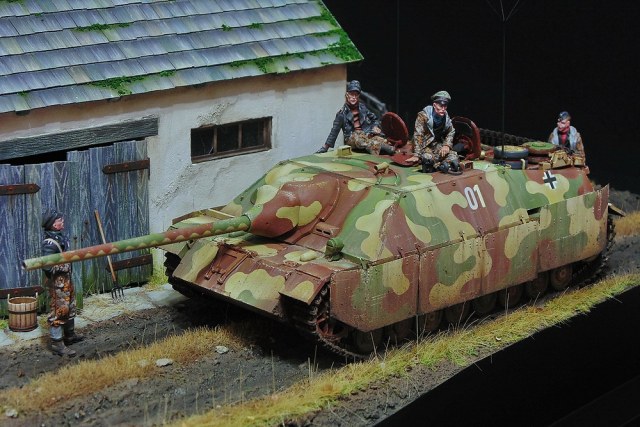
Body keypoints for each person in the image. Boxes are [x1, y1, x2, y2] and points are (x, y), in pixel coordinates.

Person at [42, 209, 84, 356]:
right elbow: (47, 267)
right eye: (60, 220)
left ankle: (70, 335)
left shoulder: (59, 237)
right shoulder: (49, 243)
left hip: (66, 279)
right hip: (57, 283)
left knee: (70, 306)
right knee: (58, 311)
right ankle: (57, 343)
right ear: (54, 224)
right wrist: (61, 267)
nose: (63, 221)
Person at [316, 80, 395, 155]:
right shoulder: (341, 114)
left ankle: (387, 148)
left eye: (356, 95)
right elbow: (334, 132)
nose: (353, 97)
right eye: (351, 94)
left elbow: (374, 119)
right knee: (359, 140)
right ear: (347, 95)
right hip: (351, 138)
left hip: (366, 134)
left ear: (358, 96)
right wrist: (325, 147)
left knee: (380, 138)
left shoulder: (362, 108)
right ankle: (383, 147)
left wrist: (375, 126)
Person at [407, 90, 460, 172]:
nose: (443, 109)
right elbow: (418, 135)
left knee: (453, 156)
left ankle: (442, 166)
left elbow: (451, 131)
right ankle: (437, 165)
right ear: (434, 105)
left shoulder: (445, 117)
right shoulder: (423, 116)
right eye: (441, 106)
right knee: (427, 158)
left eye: (445, 106)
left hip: (436, 144)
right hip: (423, 145)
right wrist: (417, 155)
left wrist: (447, 145)